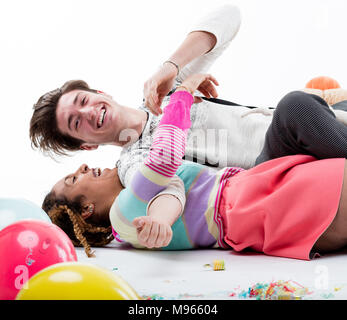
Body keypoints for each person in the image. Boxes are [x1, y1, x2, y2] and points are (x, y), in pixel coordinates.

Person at [43, 73, 347, 261]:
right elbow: (165, 173)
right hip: (249, 190)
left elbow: (171, 189)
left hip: (252, 178)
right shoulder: (130, 176)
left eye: (83, 100)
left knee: (309, 106)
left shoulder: (158, 98)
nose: (82, 167)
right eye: (72, 178)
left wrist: (173, 69)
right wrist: (183, 92)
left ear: (101, 93)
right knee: (299, 105)